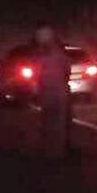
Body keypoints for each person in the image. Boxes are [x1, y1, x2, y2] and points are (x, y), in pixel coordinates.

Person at [33, 25, 72, 157]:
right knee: (58, 123)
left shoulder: (41, 57)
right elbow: (67, 72)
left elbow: (38, 76)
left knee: (49, 122)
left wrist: (38, 90)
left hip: (49, 92)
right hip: (59, 92)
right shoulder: (61, 56)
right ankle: (57, 151)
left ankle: (49, 150)